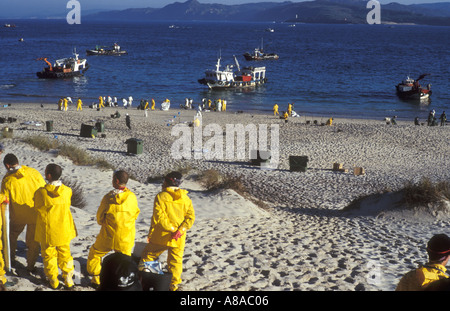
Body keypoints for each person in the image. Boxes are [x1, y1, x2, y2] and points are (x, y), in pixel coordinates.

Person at [139, 171, 195, 291]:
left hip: (161, 236)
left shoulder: (160, 197)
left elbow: (159, 218)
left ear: (166, 181)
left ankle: (149, 281)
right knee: (175, 261)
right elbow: (190, 218)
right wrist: (180, 230)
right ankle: (173, 286)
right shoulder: (186, 198)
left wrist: (172, 229)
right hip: (178, 238)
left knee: (149, 256)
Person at [87, 170, 140, 288]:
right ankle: (123, 281)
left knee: (95, 253)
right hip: (125, 237)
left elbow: (100, 218)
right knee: (125, 260)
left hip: (108, 236)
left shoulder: (108, 198)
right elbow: (136, 214)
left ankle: (96, 278)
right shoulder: (132, 198)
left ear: (116, 181)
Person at [33, 164, 77, 289]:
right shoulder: (68, 191)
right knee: (65, 254)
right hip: (63, 229)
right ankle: (69, 280)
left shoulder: (41, 192)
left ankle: (53, 281)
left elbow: (37, 207)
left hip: (48, 230)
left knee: (49, 255)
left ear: (48, 175)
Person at [1, 154, 46, 272]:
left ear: (7, 165)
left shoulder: (8, 180)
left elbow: (4, 201)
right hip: (35, 213)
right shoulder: (33, 172)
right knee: (34, 242)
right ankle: (31, 265)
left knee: (11, 236)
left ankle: (10, 259)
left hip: (18, 216)